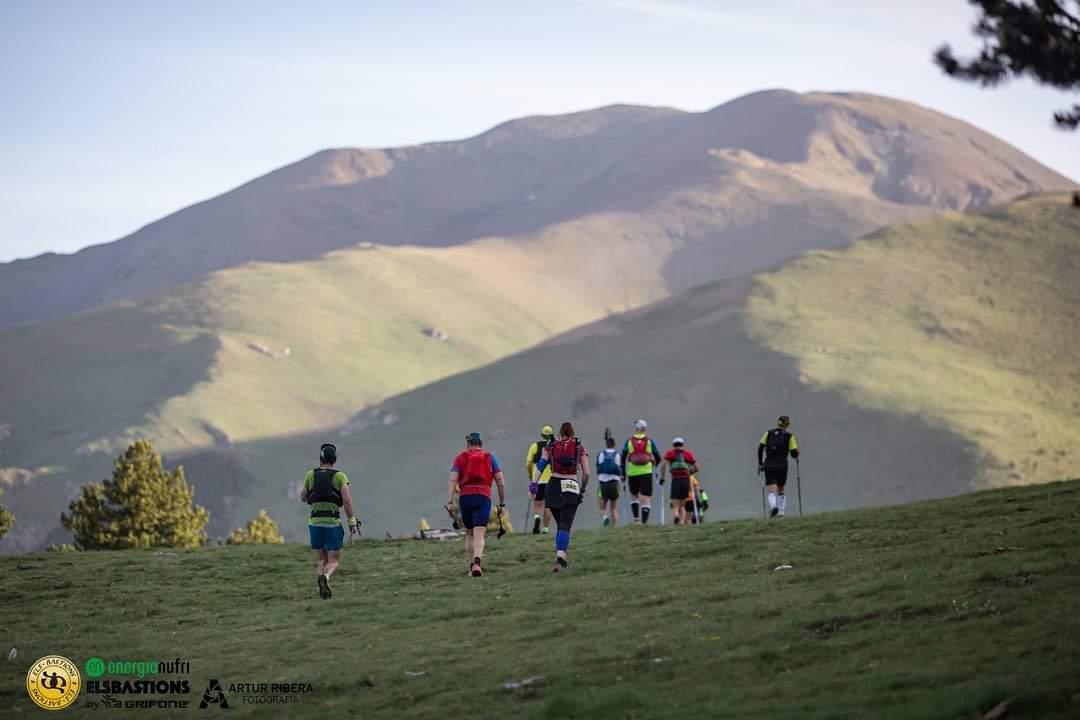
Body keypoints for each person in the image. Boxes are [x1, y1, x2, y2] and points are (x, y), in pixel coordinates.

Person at [301, 443, 360, 600]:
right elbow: (346, 500)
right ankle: (325, 578)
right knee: (334, 560)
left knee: (322, 558)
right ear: (334, 460)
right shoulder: (340, 476)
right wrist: (352, 521)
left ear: (320, 458)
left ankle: (321, 583)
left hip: (314, 523)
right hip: (331, 523)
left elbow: (303, 497)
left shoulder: (310, 475)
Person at [448, 432, 508, 577]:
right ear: (481, 443)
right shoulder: (490, 457)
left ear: (468, 443)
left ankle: (471, 567)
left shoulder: (460, 457)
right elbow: (500, 482)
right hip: (483, 496)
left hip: (466, 497)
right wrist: (501, 503)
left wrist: (450, 502)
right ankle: (477, 563)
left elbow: (453, 480)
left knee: (469, 532)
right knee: (479, 532)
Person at [535, 421, 589, 572]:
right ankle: (560, 558)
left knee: (561, 524)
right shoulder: (579, 447)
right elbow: (586, 473)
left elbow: (540, 465)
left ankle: (562, 557)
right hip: (571, 486)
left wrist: (534, 483)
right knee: (565, 525)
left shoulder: (551, 446)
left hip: (552, 487)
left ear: (560, 434)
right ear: (572, 434)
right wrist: (582, 489)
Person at [758, 415, 800, 517]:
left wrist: (760, 463)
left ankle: (773, 507)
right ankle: (781, 512)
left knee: (772, 488)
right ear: (787, 425)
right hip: (782, 465)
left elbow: (760, 448)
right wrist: (797, 453)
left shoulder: (768, 433)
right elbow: (793, 454)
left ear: (778, 422)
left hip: (769, 463)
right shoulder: (790, 436)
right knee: (781, 488)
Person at [622, 419, 662, 524]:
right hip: (646, 471)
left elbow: (623, 457)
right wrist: (654, 462)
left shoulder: (629, 441)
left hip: (632, 472)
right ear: (645, 429)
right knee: (646, 497)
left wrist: (623, 472)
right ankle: (644, 522)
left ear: (636, 428)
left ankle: (636, 520)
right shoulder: (650, 441)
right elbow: (658, 457)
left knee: (634, 495)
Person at [659, 437, 700, 525]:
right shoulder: (688, 454)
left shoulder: (670, 453)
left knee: (675, 504)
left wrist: (662, 478)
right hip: (686, 480)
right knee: (682, 505)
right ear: (682, 444)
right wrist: (689, 472)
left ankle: (676, 516)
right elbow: (697, 467)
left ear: (674, 445)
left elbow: (663, 465)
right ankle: (681, 523)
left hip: (676, 480)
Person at [525, 425, 555, 534]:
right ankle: (545, 529)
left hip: (538, 479)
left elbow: (528, 462)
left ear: (541, 434)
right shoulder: (553, 447)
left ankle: (537, 517)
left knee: (537, 502)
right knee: (548, 505)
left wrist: (531, 476)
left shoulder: (534, 446)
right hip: (551, 480)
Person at [595, 429, 622, 527]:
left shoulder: (601, 454)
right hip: (614, 482)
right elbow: (619, 467)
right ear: (614, 445)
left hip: (603, 483)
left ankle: (605, 518)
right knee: (613, 507)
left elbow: (598, 466)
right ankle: (614, 527)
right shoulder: (617, 455)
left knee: (602, 506)